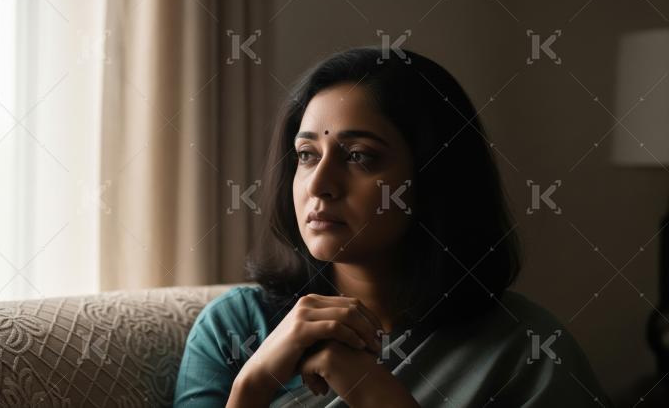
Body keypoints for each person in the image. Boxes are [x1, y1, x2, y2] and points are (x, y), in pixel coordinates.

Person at [173, 47, 612, 407]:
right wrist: (252, 385)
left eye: (359, 155)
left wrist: (372, 392)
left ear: (432, 176)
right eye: (307, 155)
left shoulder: (525, 351)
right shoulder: (236, 327)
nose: (320, 184)